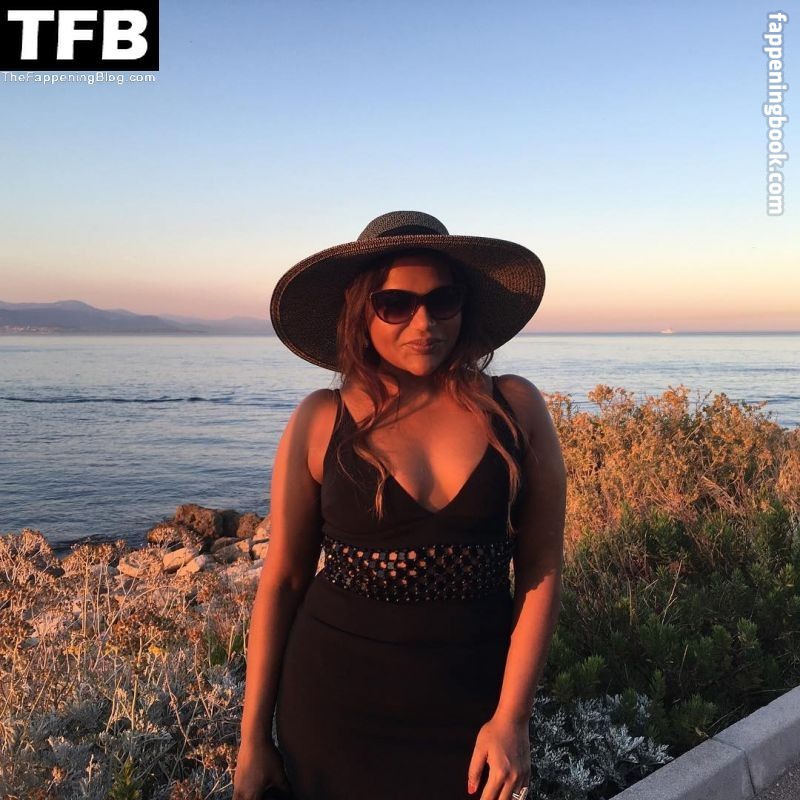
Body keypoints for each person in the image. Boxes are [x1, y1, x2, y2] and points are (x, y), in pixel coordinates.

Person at [233, 211, 566, 800]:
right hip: (333, 706)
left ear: (464, 306)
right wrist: (252, 738)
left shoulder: (514, 407)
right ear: (360, 312)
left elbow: (541, 567)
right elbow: (283, 580)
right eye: (395, 304)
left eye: (443, 301)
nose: (423, 323)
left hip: (472, 705)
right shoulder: (320, 419)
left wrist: (512, 718)